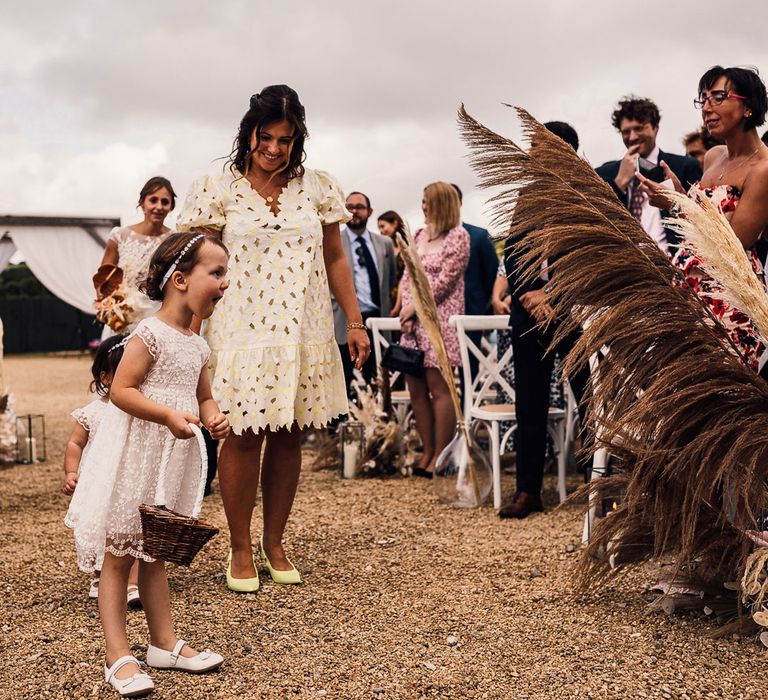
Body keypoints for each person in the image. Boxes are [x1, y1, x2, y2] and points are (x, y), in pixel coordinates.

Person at [175, 85, 369, 592]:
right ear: (250, 132)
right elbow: (196, 266)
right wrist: (187, 332)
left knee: (288, 436)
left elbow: (335, 258)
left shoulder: (319, 187)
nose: (275, 149)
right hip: (238, 330)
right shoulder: (216, 187)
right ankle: (240, 547)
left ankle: (274, 542)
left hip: (302, 330)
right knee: (241, 435)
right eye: (267, 137)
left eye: (286, 140)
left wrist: (354, 321)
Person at [65, 232, 230, 696]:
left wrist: (214, 417)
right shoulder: (149, 334)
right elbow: (121, 390)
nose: (225, 283)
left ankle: (163, 643)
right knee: (120, 555)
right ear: (180, 279)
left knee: (155, 551)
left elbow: (203, 395)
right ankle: (118, 655)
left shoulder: (197, 344)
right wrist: (166, 415)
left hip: (169, 461)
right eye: (216, 273)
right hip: (136, 457)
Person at [638, 65, 768, 373]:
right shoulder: (713, 157)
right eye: (704, 99)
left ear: (748, 106)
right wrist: (680, 192)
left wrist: (676, 203)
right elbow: (708, 213)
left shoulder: (763, 169)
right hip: (686, 287)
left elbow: (732, 245)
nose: (707, 107)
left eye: (719, 97)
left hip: (726, 297)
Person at [498, 121, 591, 520]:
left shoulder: (586, 193)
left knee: (587, 397)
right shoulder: (526, 194)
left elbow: (594, 254)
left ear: (564, 150)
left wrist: (553, 296)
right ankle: (528, 490)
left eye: (539, 146)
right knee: (529, 403)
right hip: (528, 313)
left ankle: (594, 482)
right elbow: (514, 253)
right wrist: (528, 296)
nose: (532, 152)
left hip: (572, 309)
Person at [62, 334, 144, 608]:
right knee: (100, 529)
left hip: (129, 483)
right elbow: (75, 443)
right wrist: (71, 472)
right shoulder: (93, 412)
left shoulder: (140, 410)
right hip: (98, 483)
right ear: (105, 377)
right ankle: (101, 577)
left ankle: (132, 583)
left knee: (131, 531)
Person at [399, 182, 469, 477]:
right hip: (411, 322)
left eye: (428, 201)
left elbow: (444, 282)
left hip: (439, 320)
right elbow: (407, 274)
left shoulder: (458, 237)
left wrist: (415, 307)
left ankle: (441, 455)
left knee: (438, 389)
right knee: (416, 389)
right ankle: (426, 450)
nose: (423, 205)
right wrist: (405, 308)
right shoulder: (418, 235)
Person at [596, 96, 702, 256]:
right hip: (623, 268)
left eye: (639, 128)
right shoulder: (605, 173)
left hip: (673, 265)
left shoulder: (684, 166)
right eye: (626, 132)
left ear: (656, 128)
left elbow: (700, 219)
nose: (632, 137)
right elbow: (597, 222)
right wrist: (619, 183)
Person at [333, 191, 398, 390]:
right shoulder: (333, 243)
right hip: (344, 321)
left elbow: (391, 281)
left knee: (377, 381)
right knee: (343, 381)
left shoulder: (385, 243)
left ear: (369, 211)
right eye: (349, 207)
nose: (354, 211)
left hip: (378, 319)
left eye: (359, 207)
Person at [97, 177, 176, 331]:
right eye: (153, 200)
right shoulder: (120, 235)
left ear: (171, 206)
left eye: (165, 202)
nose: (159, 207)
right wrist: (107, 307)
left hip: (158, 315)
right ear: (142, 203)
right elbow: (103, 279)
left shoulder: (174, 240)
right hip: (123, 315)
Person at [377, 210, 406, 316]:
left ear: (394, 223)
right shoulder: (384, 250)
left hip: (404, 300)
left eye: (382, 226)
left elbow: (404, 280)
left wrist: (397, 307)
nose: (381, 231)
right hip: (387, 300)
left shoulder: (406, 248)